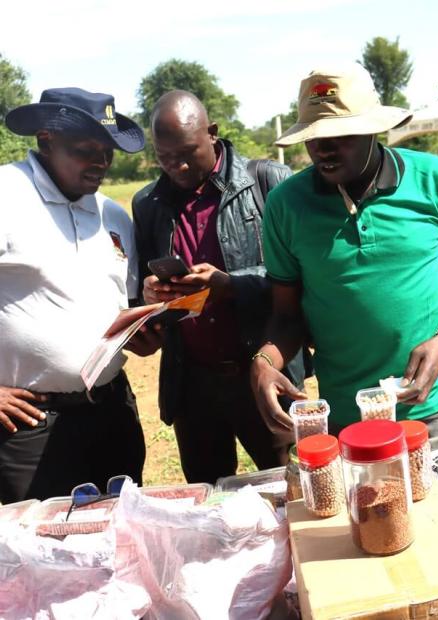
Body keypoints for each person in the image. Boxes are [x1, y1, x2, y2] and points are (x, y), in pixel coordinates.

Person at [250, 65, 438, 450]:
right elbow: (286, 315)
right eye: (313, 137)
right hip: (345, 417)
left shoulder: (434, 179)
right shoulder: (286, 205)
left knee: (436, 510)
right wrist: (263, 362)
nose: (323, 149)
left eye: (339, 135)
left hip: (429, 410)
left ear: (372, 129)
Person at [132, 90, 305, 484]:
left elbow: (300, 278)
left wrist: (229, 285)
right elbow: (142, 284)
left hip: (262, 371)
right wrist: (150, 295)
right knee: (206, 500)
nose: (175, 165)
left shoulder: (268, 181)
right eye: (164, 155)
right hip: (193, 383)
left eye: (187, 151)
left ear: (212, 132)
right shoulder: (148, 204)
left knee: (290, 487)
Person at [0, 88, 148, 503]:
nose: (101, 162)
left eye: (108, 152)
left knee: (121, 538)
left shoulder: (112, 215)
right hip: (31, 426)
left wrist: (140, 334)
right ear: (46, 140)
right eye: (86, 150)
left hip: (112, 410)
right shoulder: (7, 195)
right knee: (46, 556)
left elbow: (124, 304)